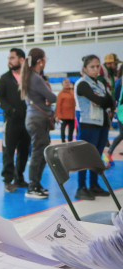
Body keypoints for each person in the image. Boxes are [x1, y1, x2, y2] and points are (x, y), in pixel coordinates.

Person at [74, 55, 115, 200]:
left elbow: (110, 102)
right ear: (85, 68)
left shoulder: (100, 84)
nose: (96, 69)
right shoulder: (82, 84)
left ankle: (93, 185)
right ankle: (81, 187)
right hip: (89, 124)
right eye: (92, 66)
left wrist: (103, 101)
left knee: (96, 157)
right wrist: (103, 101)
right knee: (85, 157)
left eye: (98, 66)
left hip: (102, 124)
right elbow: (99, 100)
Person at [19, 48, 56, 199]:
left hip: (36, 119)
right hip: (38, 119)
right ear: (40, 61)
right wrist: (49, 95)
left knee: (41, 153)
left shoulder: (31, 77)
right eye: (45, 58)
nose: (46, 61)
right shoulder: (35, 78)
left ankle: (36, 184)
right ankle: (33, 186)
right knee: (38, 153)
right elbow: (52, 98)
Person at [0, 48, 30, 193]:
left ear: (21, 60)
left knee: (24, 151)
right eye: (9, 58)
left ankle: (19, 178)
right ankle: (8, 181)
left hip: (27, 121)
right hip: (11, 121)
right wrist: (11, 110)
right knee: (8, 151)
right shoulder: (4, 78)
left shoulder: (28, 78)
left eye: (12, 58)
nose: (9, 61)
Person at [106, 64, 123, 164]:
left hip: (120, 111)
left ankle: (109, 152)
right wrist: (112, 110)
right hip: (121, 112)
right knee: (121, 134)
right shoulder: (119, 82)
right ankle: (109, 153)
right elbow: (115, 97)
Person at [55, 78, 76, 142]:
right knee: (63, 130)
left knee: (71, 130)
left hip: (72, 115)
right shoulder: (61, 94)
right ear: (62, 84)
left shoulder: (73, 92)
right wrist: (58, 116)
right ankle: (63, 141)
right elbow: (58, 106)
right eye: (66, 83)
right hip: (63, 116)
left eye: (68, 82)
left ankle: (70, 141)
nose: (67, 84)